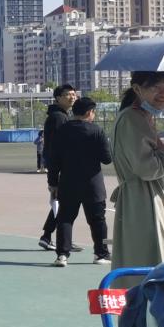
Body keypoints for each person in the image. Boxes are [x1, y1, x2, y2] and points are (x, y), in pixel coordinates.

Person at [110, 72, 164, 279]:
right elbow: (149, 169)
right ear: (137, 89)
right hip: (147, 203)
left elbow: (154, 162)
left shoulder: (141, 117)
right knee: (153, 270)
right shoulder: (132, 118)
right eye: (156, 87)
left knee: (158, 269)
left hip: (151, 199)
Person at [48, 96, 111, 267]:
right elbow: (107, 159)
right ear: (90, 112)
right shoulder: (97, 130)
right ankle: (101, 253)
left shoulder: (62, 130)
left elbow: (53, 160)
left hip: (68, 183)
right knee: (98, 220)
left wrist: (52, 182)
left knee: (65, 219)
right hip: (93, 184)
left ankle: (62, 255)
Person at [39, 84, 79, 251]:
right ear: (58, 98)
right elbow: (55, 148)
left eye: (74, 94)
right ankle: (53, 238)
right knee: (66, 204)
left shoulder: (60, 116)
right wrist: (53, 178)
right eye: (68, 94)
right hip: (63, 169)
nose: (72, 97)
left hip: (61, 168)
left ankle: (49, 237)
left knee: (64, 203)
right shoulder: (58, 118)